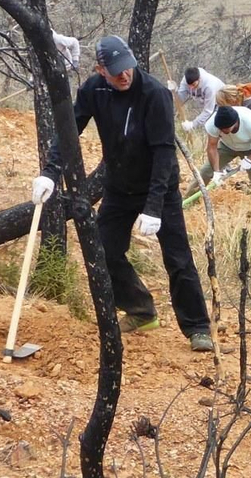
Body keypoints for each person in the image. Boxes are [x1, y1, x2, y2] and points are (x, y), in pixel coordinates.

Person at [33, 36, 213, 352]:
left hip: (160, 187)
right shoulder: (93, 90)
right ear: (101, 69)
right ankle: (140, 310)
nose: (124, 75)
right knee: (102, 249)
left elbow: (163, 154)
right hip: (119, 186)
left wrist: (154, 207)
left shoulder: (154, 94)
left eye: (127, 68)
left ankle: (198, 328)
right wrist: (50, 173)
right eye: (115, 71)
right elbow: (68, 130)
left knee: (178, 258)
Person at [201, 103, 251, 192]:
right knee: (204, 173)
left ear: (235, 123)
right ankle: (187, 203)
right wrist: (216, 171)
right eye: (220, 129)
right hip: (226, 146)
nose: (222, 131)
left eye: (226, 129)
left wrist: (250, 158)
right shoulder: (212, 124)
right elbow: (212, 147)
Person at [177, 65, 225, 134]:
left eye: (193, 85)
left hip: (221, 103)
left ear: (199, 79)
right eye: (189, 85)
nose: (191, 88)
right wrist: (174, 92)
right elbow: (180, 99)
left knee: (214, 128)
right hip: (208, 104)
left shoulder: (210, 86)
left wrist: (193, 124)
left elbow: (208, 111)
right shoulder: (186, 80)